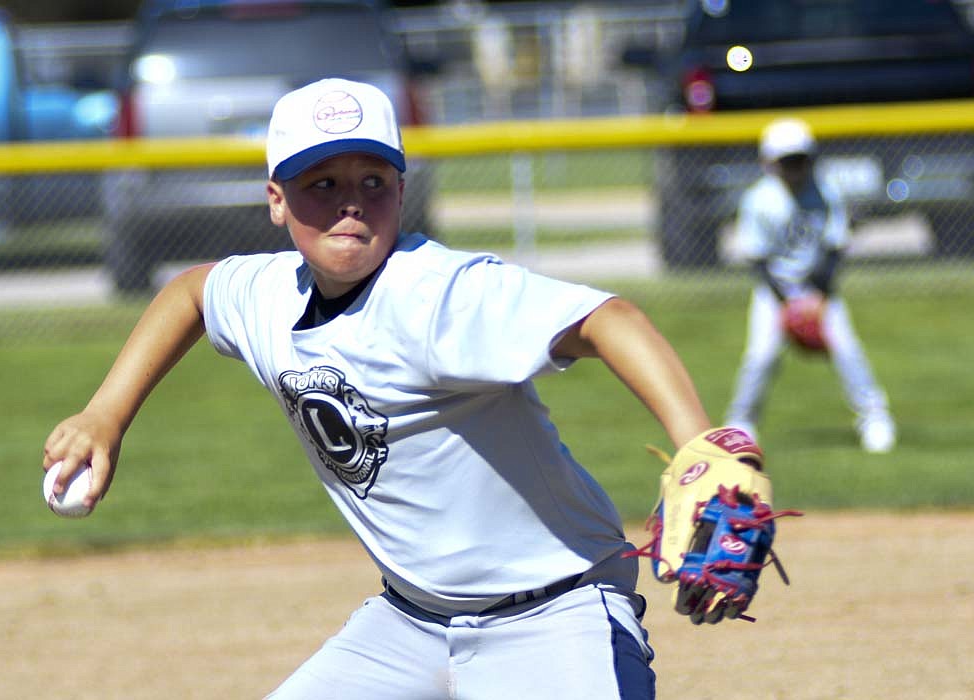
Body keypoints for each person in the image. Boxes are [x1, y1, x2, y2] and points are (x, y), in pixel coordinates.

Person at [44, 78, 723, 699]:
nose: (350, 200)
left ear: (402, 191)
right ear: (275, 200)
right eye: (321, 181)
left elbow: (612, 320)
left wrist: (698, 444)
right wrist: (107, 413)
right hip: (411, 623)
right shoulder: (268, 296)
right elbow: (192, 293)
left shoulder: (442, 297)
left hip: (555, 613)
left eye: (374, 179)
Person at [724, 117, 896, 453]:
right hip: (774, 290)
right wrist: (786, 302)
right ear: (769, 163)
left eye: (800, 160)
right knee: (761, 356)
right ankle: (741, 422)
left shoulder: (826, 192)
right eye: (787, 162)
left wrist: (817, 295)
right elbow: (757, 260)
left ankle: (874, 417)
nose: (795, 168)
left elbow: (835, 248)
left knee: (847, 348)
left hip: (818, 289)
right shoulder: (759, 200)